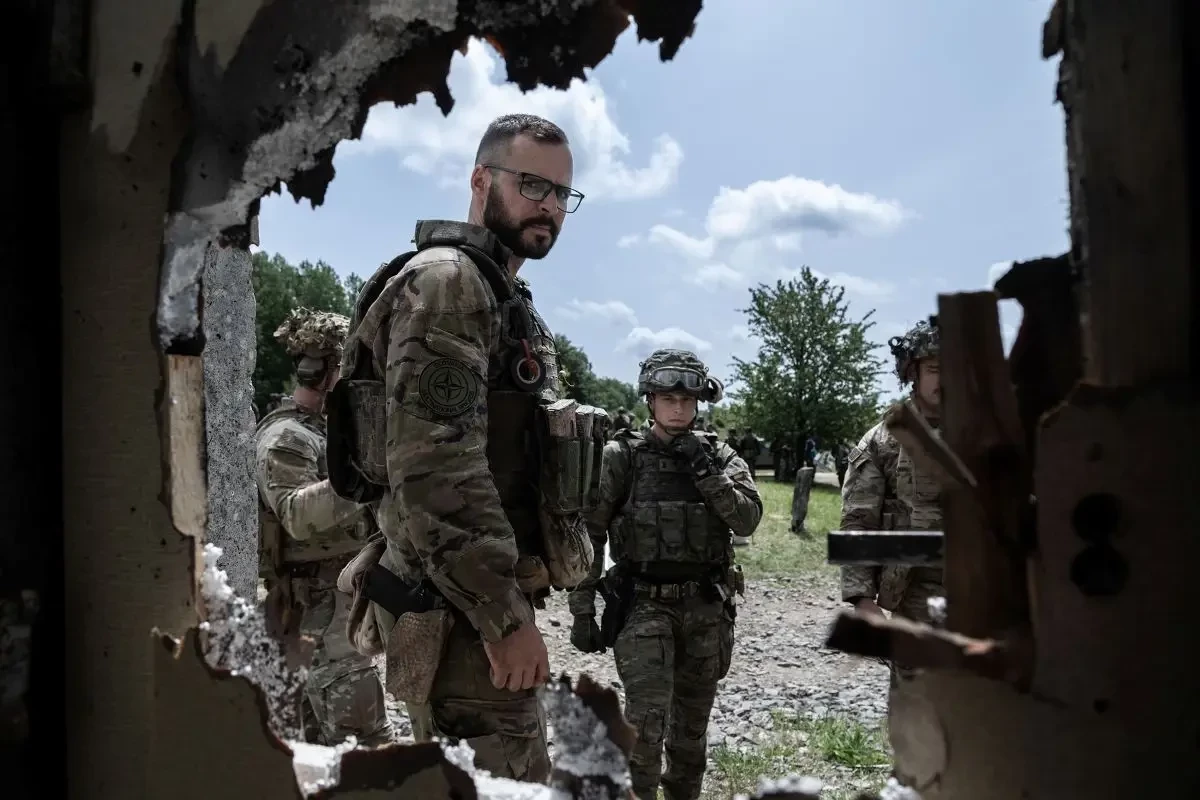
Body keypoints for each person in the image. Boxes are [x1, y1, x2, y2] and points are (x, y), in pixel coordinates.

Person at [328, 113, 591, 783]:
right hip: (461, 610)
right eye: (533, 184)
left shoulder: (497, 290)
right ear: (481, 181)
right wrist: (502, 618)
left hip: (461, 600)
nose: (550, 206)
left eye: (563, 193)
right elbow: (437, 470)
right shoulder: (450, 283)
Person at [567, 349, 763, 800]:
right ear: (650, 401)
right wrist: (582, 610)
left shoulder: (720, 456)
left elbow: (747, 520)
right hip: (643, 606)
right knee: (645, 726)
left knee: (691, 733)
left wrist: (706, 472)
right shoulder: (621, 457)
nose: (678, 409)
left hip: (706, 608)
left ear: (698, 403)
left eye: (687, 400)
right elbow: (589, 534)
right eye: (668, 399)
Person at [254, 308, 393, 747]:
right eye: (347, 367)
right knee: (365, 745)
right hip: (316, 606)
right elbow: (296, 515)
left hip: (331, 603)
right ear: (325, 371)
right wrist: (365, 476)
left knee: (317, 746)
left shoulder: (323, 431)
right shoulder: (287, 436)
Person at [839, 317, 942, 686]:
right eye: (935, 370)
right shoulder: (884, 440)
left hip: (986, 592)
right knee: (918, 700)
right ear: (912, 372)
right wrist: (862, 599)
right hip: (915, 596)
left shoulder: (991, 433)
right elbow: (857, 521)